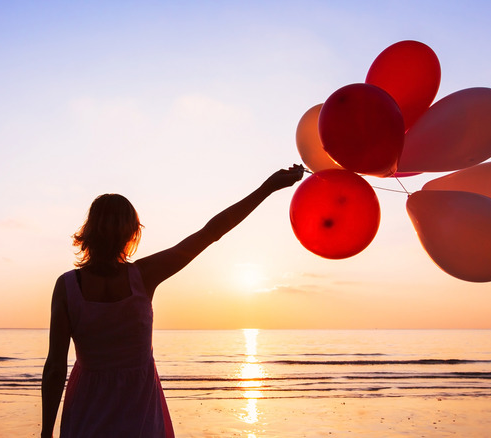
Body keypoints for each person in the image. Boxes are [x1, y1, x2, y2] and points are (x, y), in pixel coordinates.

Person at [41, 165, 305, 437]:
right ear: (131, 232)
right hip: (138, 411)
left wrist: (46, 432)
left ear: (89, 231)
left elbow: (55, 368)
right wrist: (267, 188)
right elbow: (210, 232)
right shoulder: (143, 276)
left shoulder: (67, 286)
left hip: (88, 409)